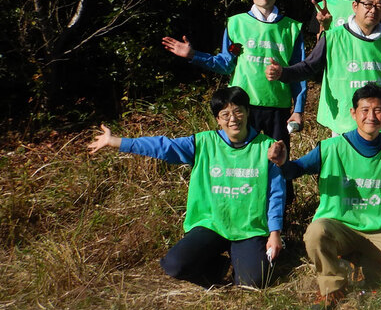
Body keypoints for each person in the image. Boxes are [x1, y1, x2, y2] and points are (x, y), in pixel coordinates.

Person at [269, 85, 381, 310]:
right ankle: (332, 287)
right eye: (365, 110)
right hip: (339, 225)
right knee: (316, 231)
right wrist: (282, 163)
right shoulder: (331, 148)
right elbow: (294, 171)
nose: (371, 117)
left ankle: (360, 267)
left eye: (378, 110)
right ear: (353, 113)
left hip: (380, 229)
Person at [87, 87, 284, 288]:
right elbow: (163, 146)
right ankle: (219, 267)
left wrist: (275, 232)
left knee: (255, 282)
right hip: (211, 224)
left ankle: (243, 261)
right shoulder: (203, 143)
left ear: (248, 112)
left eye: (238, 111)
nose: (233, 118)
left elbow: (276, 192)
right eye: (225, 114)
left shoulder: (267, 147)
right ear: (217, 119)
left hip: (248, 228)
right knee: (174, 265)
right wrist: (116, 142)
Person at [162, 0, 304, 194]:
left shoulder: (292, 28)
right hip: (242, 107)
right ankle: (247, 207)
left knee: (278, 159)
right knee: (246, 161)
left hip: (278, 107)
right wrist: (193, 55)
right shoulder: (236, 23)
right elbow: (226, 64)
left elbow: (299, 71)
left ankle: (280, 216)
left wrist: (299, 109)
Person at [268, 0, 381, 135]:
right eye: (367, 4)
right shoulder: (332, 37)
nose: (373, 10)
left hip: (380, 126)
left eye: (379, 6)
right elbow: (309, 67)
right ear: (355, 6)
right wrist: (283, 73)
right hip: (344, 125)